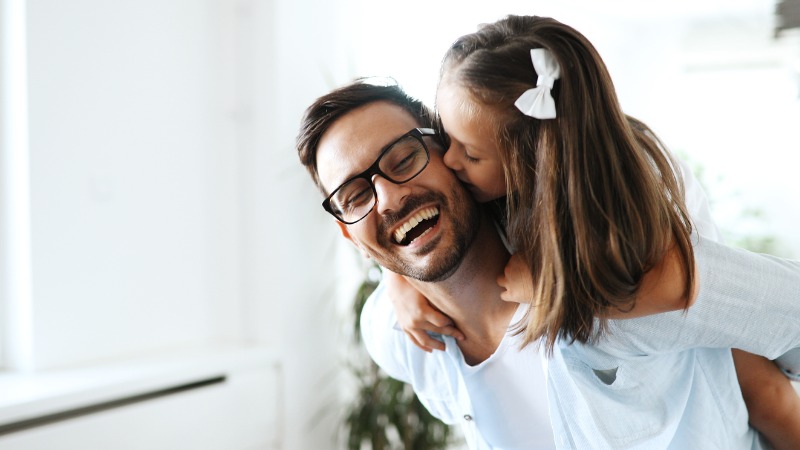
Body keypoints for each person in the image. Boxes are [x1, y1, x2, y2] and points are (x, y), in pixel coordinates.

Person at [384, 14, 800, 448]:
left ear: (532, 161)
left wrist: (554, 287)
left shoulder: (636, 224)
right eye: (445, 139)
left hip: (716, 376)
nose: (448, 162)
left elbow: (680, 293)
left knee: (762, 390)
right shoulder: (503, 192)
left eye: (469, 153)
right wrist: (396, 277)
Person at [296, 79, 783, 448]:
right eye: (355, 194)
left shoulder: (608, 282)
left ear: (454, 155)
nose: (387, 198)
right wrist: (393, 275)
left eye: (403, 159)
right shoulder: (396, 338)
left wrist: (589, 287)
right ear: (348, 234)